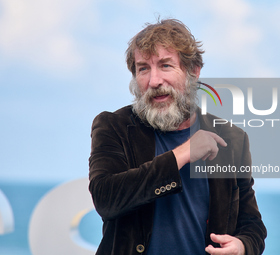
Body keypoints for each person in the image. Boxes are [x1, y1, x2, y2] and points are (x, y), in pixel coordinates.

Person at [89, 18, 266, 255]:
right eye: (143, 68)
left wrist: (243, 246)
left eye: (165, 66)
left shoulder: (232, 138)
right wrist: (182, 154)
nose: (154, 81)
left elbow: (252, 224)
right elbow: (106, 199)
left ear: (193, 71)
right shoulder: (115, 126)